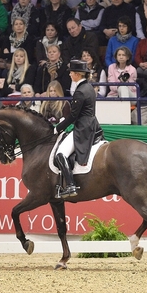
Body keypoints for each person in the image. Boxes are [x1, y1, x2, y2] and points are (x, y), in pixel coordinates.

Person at [53, 59, 102, 198]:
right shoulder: (89, 87)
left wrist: (59, 128)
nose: (69, 75)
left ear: (77, 74)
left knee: (60, 154)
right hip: (92, 124)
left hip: (83, 128)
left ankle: (70, 185)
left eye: (71, 73)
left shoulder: (80, 91)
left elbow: (73, 116)